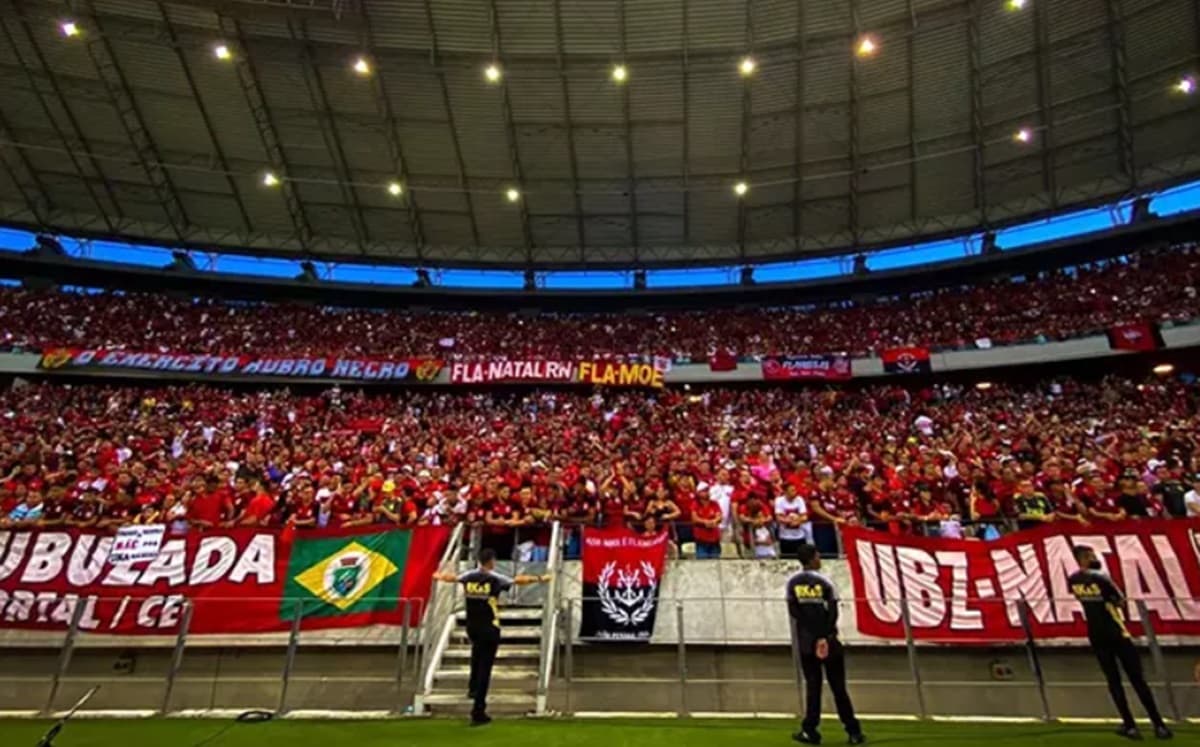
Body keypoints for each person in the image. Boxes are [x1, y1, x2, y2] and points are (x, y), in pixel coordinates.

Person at [432, 548, 550, 726]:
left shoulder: (468, 576)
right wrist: (541, 578)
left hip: (472, 625)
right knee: (485, 668)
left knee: (476, 656)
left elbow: (453, 578)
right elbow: (518, 581)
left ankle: (472, 689)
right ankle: (478, 710)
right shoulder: (494, 578)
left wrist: (439, 576)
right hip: (489, 626)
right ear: (491, 561)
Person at [1068, 545, 1172, 741]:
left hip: (1096, 634)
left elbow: (1080, 598)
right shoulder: (1101, 577)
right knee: (1137, 679)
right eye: (1090, 556)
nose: (1094, 558)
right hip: (1116, 632)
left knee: (1113, 681)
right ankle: (1158, 725)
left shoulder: (1073, 580)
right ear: (1084, 558)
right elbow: (1120, 601)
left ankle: (1130, 725)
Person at [787, 543, 865, 746]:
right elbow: (833, 611)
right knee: (839, 688)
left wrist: (812, 636)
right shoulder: (826, 582)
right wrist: (824, 636)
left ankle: (810, 730)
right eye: (818, 555)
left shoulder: (793, 583)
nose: (819, 558)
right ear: (813, 558)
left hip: (806, 643)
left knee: (813, 689)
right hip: (829, 641)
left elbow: (795, 612)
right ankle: (853, 731)